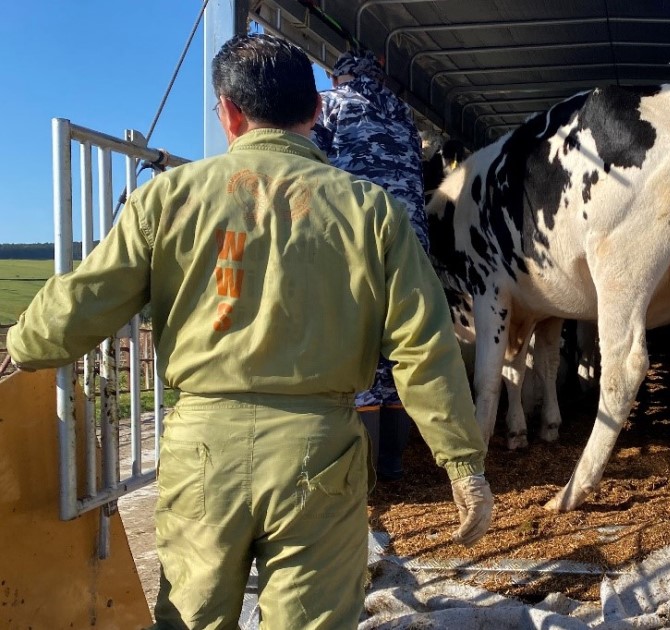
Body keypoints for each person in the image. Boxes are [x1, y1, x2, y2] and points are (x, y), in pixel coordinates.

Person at [6, 34, 492, 629]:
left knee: (193, 618)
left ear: (229, 112)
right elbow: (424, 345)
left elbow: (85, 301)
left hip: (204, 452)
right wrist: (462, 462)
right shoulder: (371, 211)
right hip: (321, 452)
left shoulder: (167, 198)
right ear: (316, 111)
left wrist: (19, 346)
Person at [311, 49, 428, 483]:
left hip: (357, 243)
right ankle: (395, 465)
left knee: (359, 353)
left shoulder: (332, 105)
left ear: (339, 77)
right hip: (410, 245)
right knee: (397, 351)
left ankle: (367, 475)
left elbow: (311, 160)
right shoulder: (402, 113)